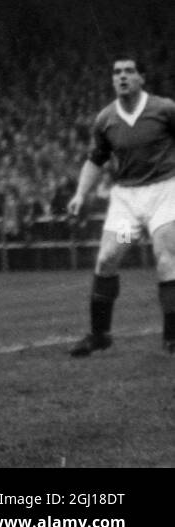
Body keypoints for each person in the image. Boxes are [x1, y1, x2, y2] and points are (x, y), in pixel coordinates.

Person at [67, 56, 175, 355]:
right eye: (117, 72)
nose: (122, 76)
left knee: (166, 257)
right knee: (108, 258)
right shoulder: (106, 119)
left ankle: (172, 336)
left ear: (142, 77)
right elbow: (96, 159)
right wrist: (80, 194)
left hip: (164, 194)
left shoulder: (164, 109)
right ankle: (100, 335)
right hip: (127, 201)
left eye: (129, 71)